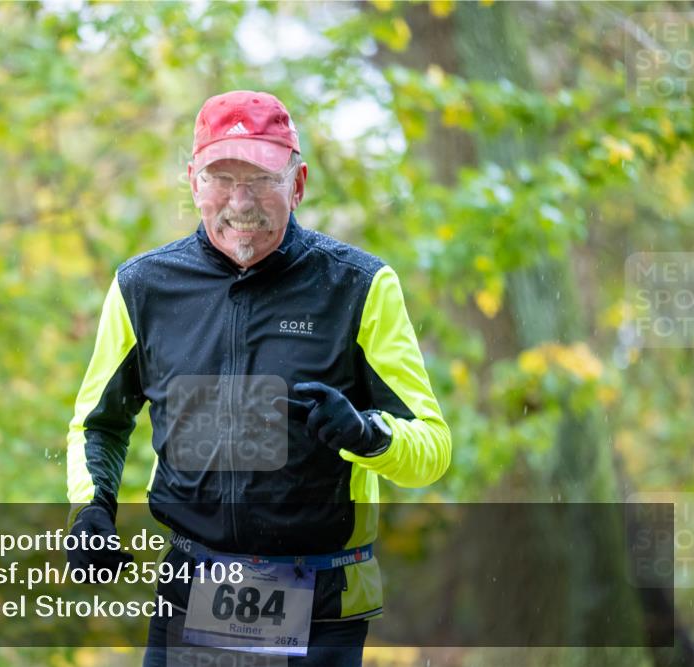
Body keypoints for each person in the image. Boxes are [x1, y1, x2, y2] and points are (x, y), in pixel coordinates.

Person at [65, 90, 451, 667]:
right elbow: (99, 424)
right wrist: (91, 509)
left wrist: (369, 435)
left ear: (298, 184)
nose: (240, 202)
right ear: (193, 182)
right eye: (221, 179)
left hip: (322, 604)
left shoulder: (359, 287)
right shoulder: (143, 288)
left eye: (262, 180)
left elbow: (432, 448)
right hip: (192, 593)